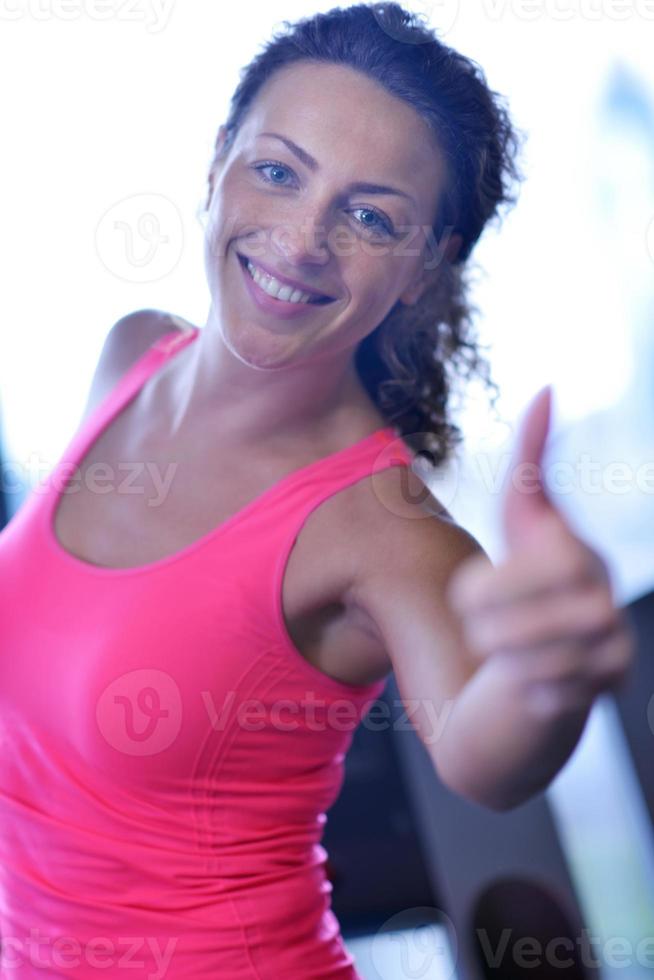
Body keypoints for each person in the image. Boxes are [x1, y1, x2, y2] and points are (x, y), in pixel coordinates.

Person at [0, 2, 635, 977]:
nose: (301, 239)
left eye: (371, 215)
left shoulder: (383, 530)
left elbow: (481, 749)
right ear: (218, 160)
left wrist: (544, 678)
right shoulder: (129, 354)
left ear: (424, 269)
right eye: (280, 170)